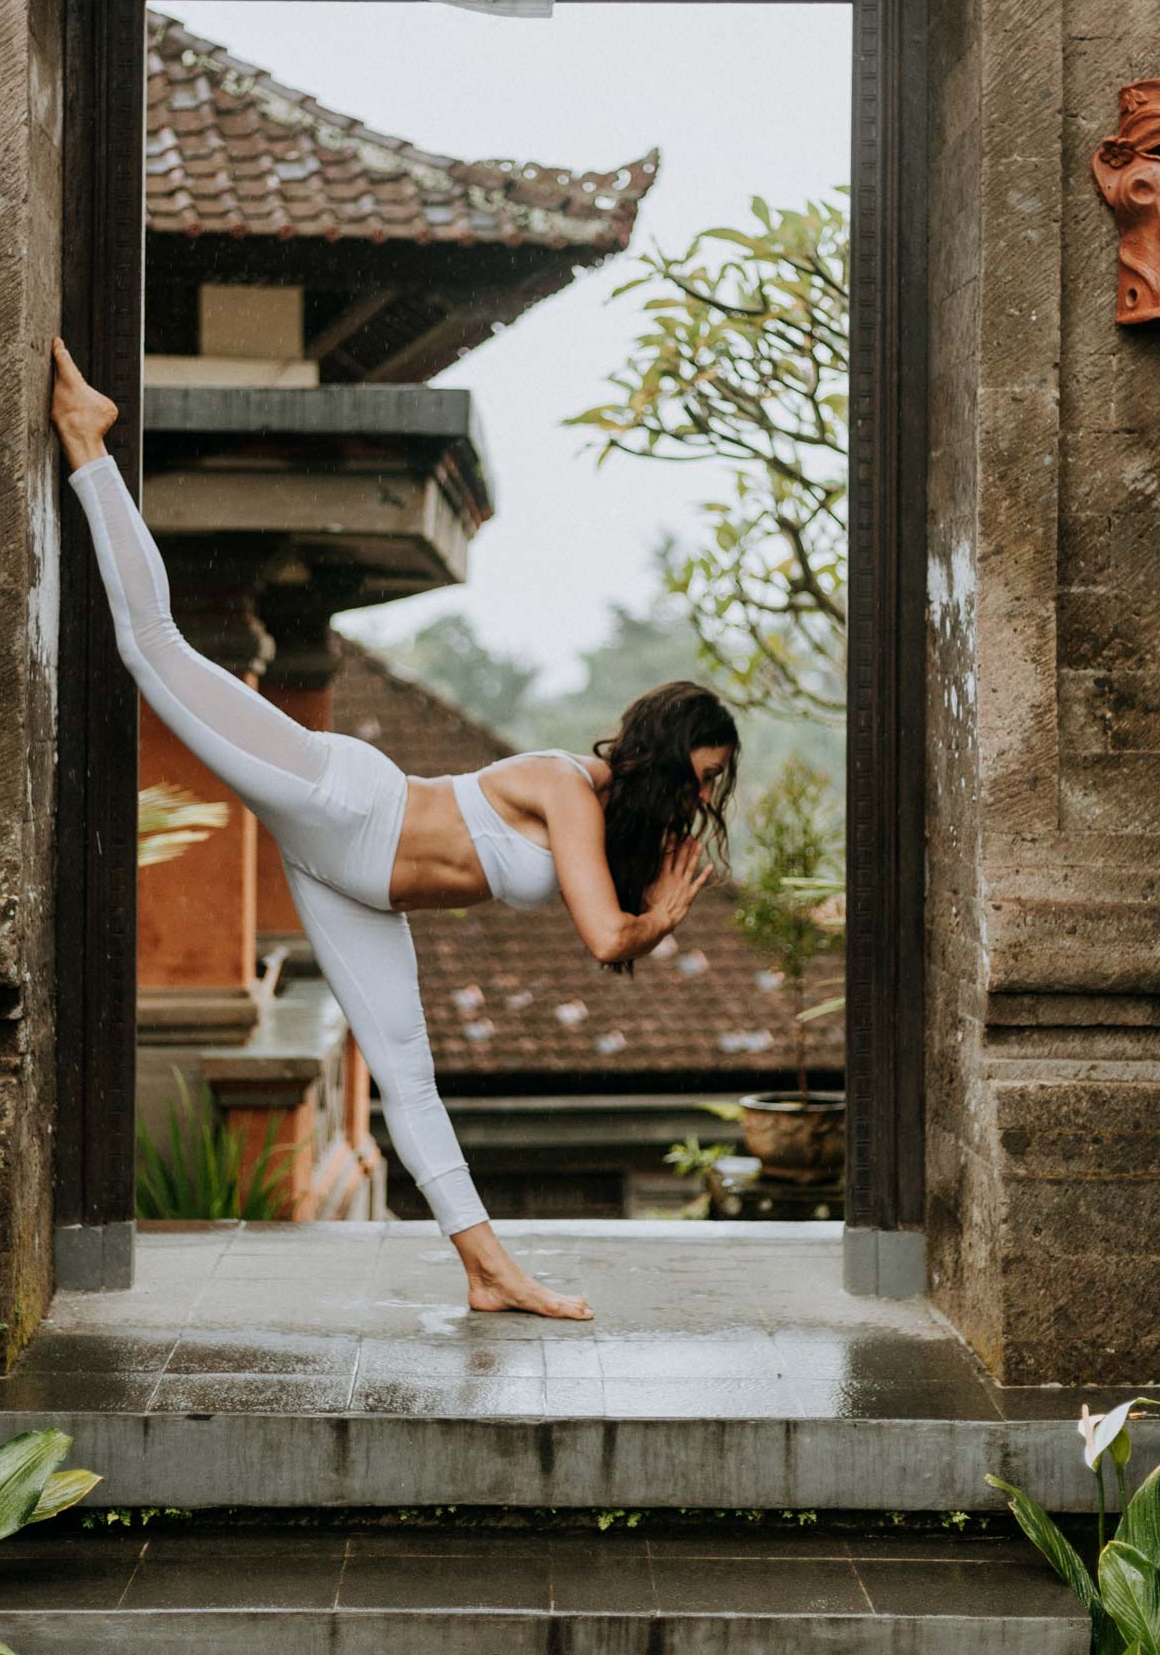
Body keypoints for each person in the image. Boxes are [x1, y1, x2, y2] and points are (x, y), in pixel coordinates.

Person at [50, 336, 739, 1320]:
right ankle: (90, 441)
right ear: (667, 754)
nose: (703, 801)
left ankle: (488, 1269)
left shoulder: (596, 815)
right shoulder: (564, 786)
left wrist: (653, 902)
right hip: (346, 803)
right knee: (155, 649)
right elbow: (603, 939)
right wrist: (660, 917)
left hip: (353, 882)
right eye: (702, 778)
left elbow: (604, 925)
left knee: (407, 1080)